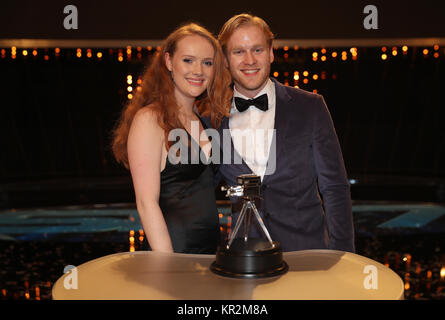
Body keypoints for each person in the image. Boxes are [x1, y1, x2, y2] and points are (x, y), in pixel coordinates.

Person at [214, 13, 355, 252]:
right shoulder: (213, 117)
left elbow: (334, 187)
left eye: (257, 50)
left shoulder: (310, 106)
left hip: (308, 255)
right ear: (226, 60)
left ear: (270, 53)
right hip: (246, 261)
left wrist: (344, 254)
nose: (249, 60)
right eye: (238, 52)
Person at [111, 23, 232, 254]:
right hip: (173, 252)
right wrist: (169, 267)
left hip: (210, 252)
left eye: (207, 63)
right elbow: (147, 203)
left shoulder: (202, 119)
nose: (199, 70)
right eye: (188, 60)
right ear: (168, 62)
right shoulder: (150, 119)